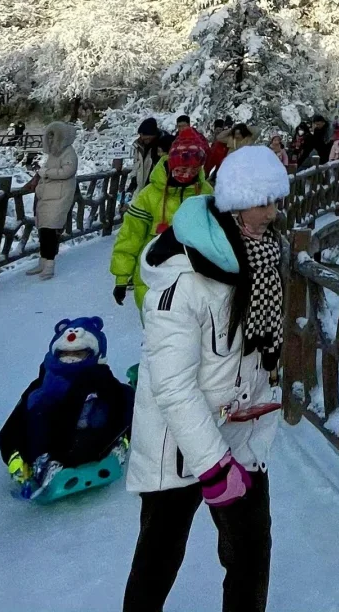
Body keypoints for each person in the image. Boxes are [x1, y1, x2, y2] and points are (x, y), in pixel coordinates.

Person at [123, 144, 289, 612]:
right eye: (263, 203)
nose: (273, 215)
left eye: (276, 201)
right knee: (157, 561)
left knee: (252, 555)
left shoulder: (258, 260)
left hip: (240, 435)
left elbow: (255, 351)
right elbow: (172, 385)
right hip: (180, 445)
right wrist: (213, 466)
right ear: (235, 205)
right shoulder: (183, 278)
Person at [0, 316, 134, 493]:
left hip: (96, 444)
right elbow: (12, 427)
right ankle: (44, 464)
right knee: (40, 404)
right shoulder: (43, 385)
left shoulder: (101, 378)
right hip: (55, 448)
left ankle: (117, 447)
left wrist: (123, 435)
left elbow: (123, 407)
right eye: (66, 355)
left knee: (125, 395)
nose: (71, 359)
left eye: (78, 354)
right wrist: (14, 457)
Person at [111, 130, 211, 312]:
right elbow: (130, 236)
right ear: (172, 165)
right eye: (181, 169)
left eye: (194, 170)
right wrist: (121, 277)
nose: (187, 174)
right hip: (153, 273)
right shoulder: (149, 195)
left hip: (195, 273)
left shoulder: (206, 193)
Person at [24, 121, 79, 281]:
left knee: (50, 231)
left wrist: (45, 172)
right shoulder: (55, 153)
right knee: (44, 229)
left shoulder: (68, 153)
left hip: (58, 197)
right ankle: (43, 261)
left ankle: (49, 264)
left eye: (53, 136)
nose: (50, 139)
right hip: (48, 196)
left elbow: (68, 171)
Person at [131, 118, 167, 195]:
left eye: (144, 136)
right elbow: (136, 166)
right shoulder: (140, 146)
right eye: (140, 135)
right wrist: (133, 182)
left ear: (152, 134)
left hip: (156, 189)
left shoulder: (163, 146)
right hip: (141, 188)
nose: (142, 138)